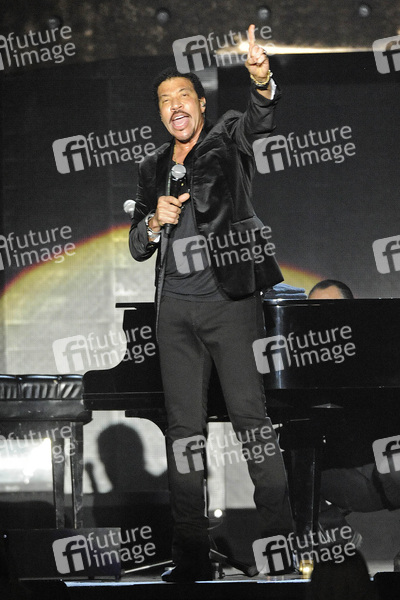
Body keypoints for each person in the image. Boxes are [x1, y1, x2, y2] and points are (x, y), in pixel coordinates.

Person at [129, 24, 294, 582]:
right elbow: (136, 244)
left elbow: (258, 120)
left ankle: (278, 548)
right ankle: (191, 554)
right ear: (160, 114)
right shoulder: (152, 168)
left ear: (201, 104)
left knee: (252, 422)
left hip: (229, 303)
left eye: (184, 96)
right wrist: (154, 222)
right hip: (174, 311)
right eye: (165, 101)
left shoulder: (226, 137)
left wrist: (261, 79)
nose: (175, 106)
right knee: (184, 435)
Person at [308, 281, 400, 528]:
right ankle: (338, 545)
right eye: (313, 311)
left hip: (388, 468)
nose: (322, 318)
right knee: (283, 471)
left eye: (331, 309)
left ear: (351, 310)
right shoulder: (305, 365)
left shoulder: (381, 348)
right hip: (352, 476)